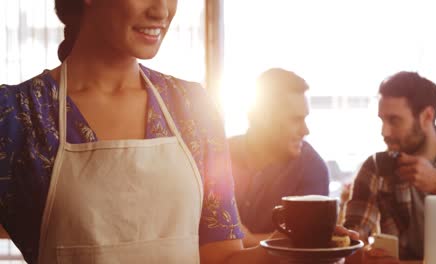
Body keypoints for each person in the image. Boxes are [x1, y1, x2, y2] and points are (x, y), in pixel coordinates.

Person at [0, 1, 357, 263]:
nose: (162, 10)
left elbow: (220, 256)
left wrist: (287, 250)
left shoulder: (193, 107)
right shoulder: (18, 116)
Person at [343, 71, 436, 262]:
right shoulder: (376, 167)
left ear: (427, 116)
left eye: (394, 120)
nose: (384, 132)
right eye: (382, 120)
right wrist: (364, 254)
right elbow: (352, 240)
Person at [229, 68, 330, 247]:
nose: (306, 130)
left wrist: (246, 239)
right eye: (295, 120)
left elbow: (304, 243)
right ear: (262, 117)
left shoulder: (312, 168)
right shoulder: (218, 155)